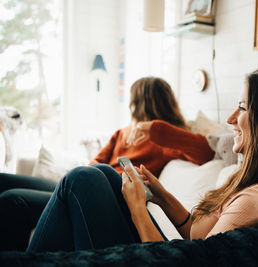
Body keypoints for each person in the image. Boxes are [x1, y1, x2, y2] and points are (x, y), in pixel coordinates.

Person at [26, 68, 258, 252]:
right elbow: (196, 234)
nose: (230, 118)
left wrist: (137, 208)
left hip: (156, 255)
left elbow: (186, 261)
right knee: (102, 173)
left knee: (82, 179)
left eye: (242, 107)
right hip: (167, 240)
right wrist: (161, 195)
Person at [0, 77, 214, 251]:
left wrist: (158, 129)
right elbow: (96, 162)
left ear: (138, 103)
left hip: (108, 195)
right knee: (4, 182)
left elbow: (206, 151)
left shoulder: (167, 139)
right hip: (86, 185)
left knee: (12, 200)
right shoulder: (123, 132)